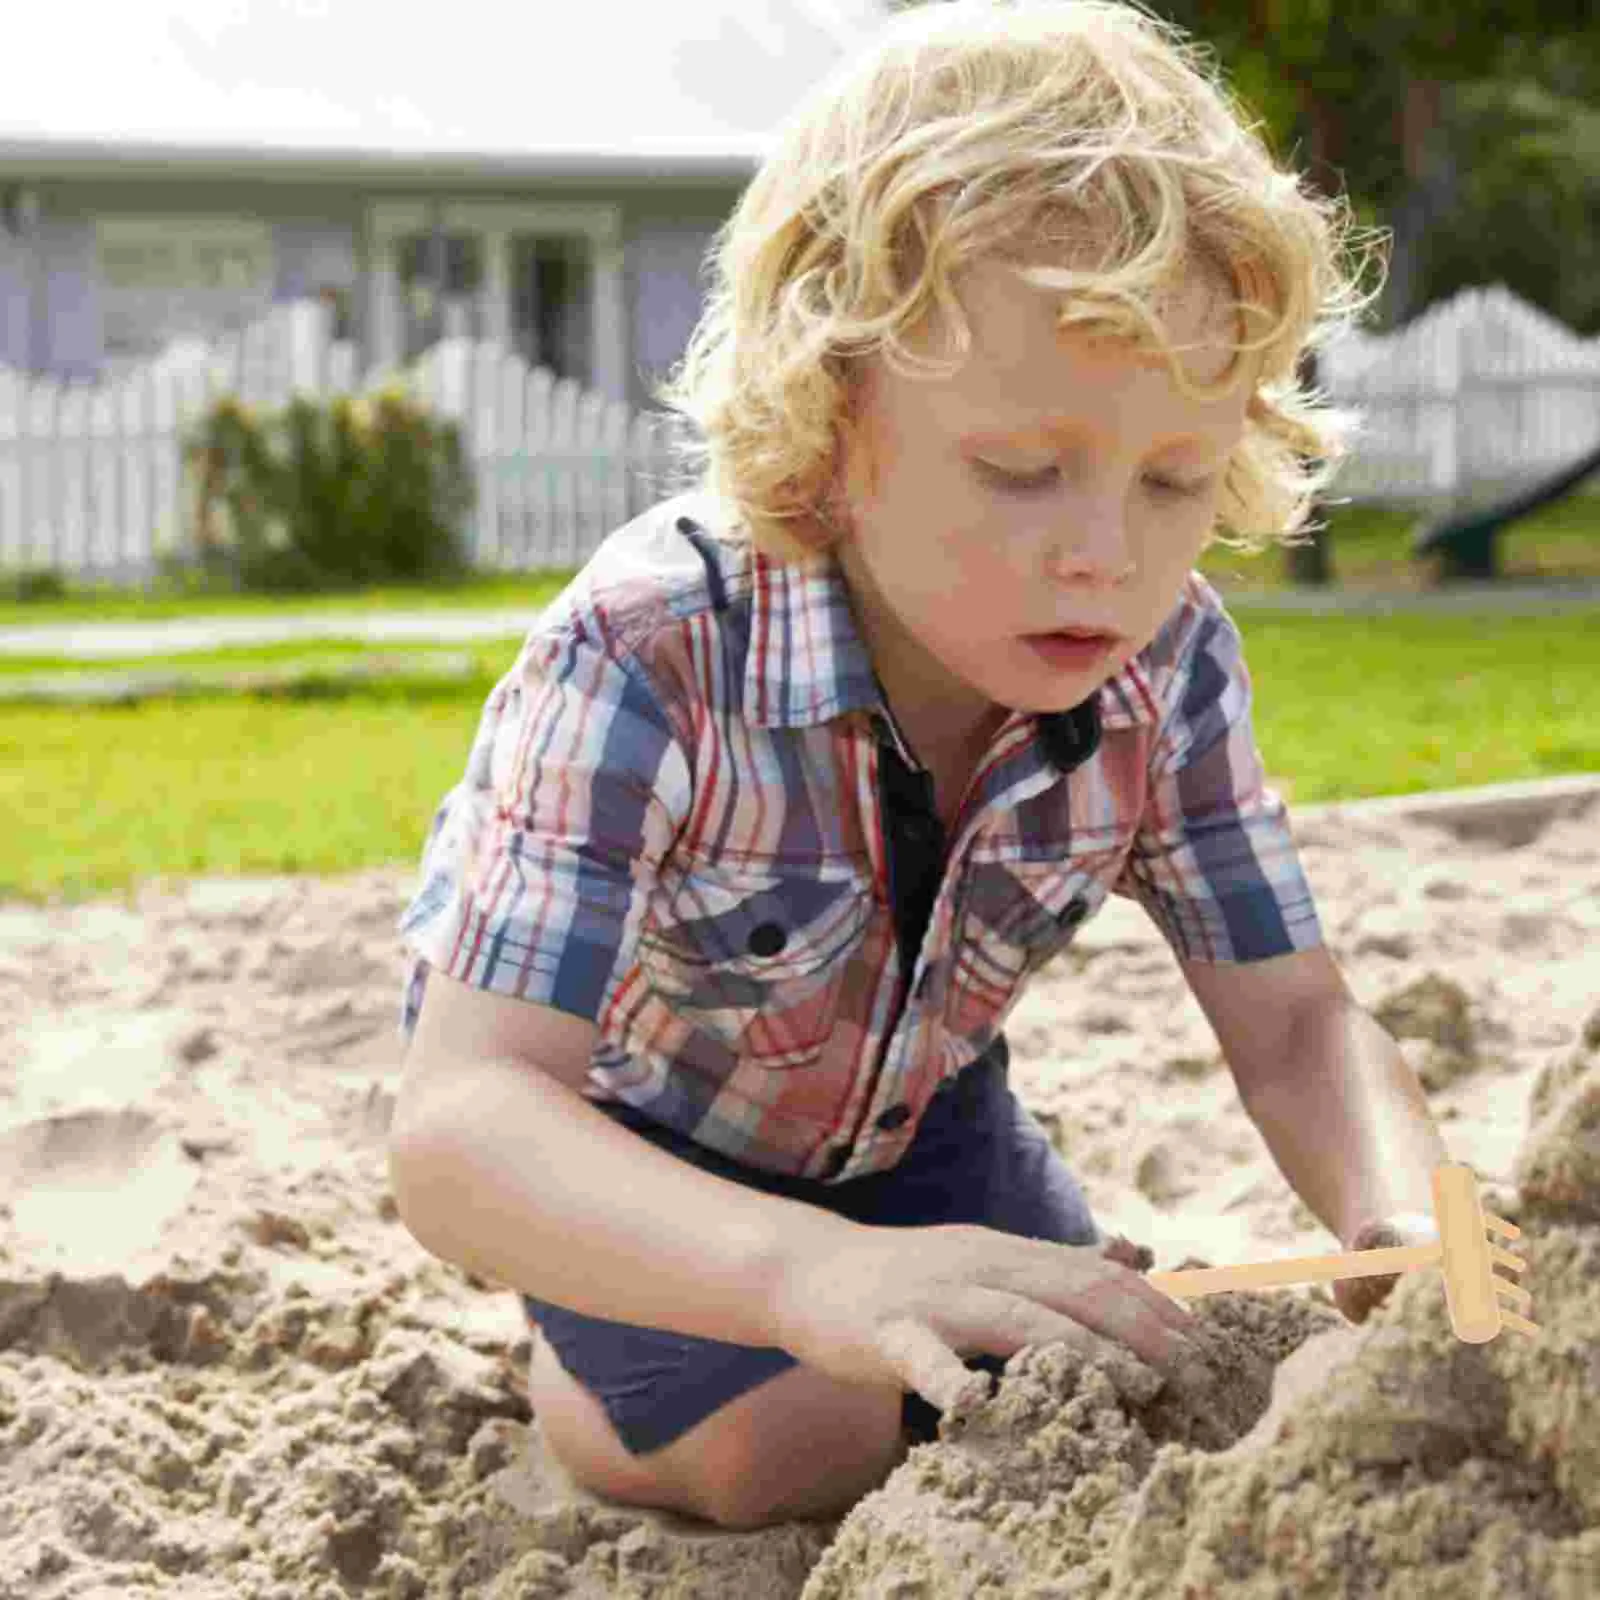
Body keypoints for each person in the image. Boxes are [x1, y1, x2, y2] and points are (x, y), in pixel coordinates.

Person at [387, 0, 1451, 1533]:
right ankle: (575, 1360)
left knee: (1086, 1375)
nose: (1103, 554)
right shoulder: (650, 647)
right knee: (795, 1445)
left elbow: (1296, 1026)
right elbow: (461, 1127)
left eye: (1173, 479)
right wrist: (805, 1270)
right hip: (613, 1139)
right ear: (835, 420)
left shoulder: (1171, 663)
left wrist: (1394, 1211)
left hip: (911, 1114)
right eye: (1022, 471)